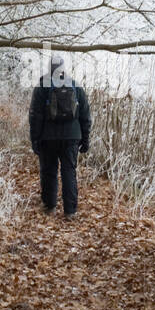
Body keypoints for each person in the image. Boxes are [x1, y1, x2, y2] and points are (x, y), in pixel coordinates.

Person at [28, 53, 91, 218]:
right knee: (69, 171)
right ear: (63, 69)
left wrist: (35, 139)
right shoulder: (75, 86)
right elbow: (85, 115)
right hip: (71, 137)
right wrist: (85, 139)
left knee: (49, 171)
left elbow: (35, 116)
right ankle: (70, 211)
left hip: (48, 137)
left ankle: (50, 207)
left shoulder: (42, 86)